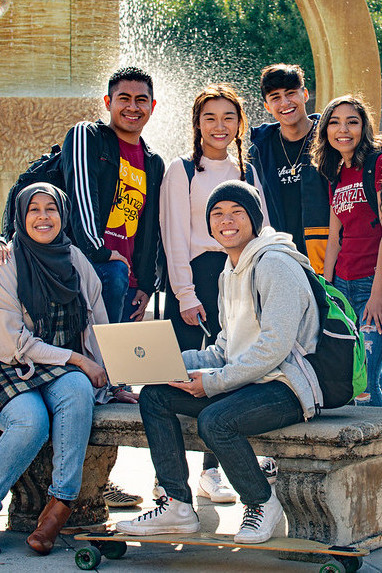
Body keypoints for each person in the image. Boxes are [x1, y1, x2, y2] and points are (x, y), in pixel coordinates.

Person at [116, 180, 322, 544]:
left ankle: (262, 503)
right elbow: (225, 349)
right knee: (155, 395)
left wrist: (212, 382)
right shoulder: (231, 270)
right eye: (217, 214)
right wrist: (166, 363)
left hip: (288, 387)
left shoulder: (275, 264)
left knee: (217, 421)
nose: (226, 220)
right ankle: (177, 505)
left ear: (254, 219)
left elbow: (274, 348)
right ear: (210, 226)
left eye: (236, 212)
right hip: (250, 383)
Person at [159, 83, 269, 503]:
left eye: (228, 117)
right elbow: (174, 236)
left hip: (238, 274)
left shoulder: (247, 170)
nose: (219, 126)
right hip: (196, 277)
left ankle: (211, 471)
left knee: (230, 373)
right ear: (197, 124)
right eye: (210, 118)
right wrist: (185, 293)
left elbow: (262, 227)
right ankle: (168, 481)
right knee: (182, 377)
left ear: (240, 124)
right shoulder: (182, 169)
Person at [0, 183, 110, 555]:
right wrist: (79, 360)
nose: (43, 217)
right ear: (20, 216)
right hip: (14, 367)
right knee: (31, 422)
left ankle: (59, 506)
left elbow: (96, 323)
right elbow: (12, 341)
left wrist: (110, 376)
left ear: (63, 215)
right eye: (34, 210)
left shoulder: (74, 258)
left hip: (62, 372)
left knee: (79, 391)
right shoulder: (7, 260)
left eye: (51, 209)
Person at [61, 66, 165, 325]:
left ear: (151, 106)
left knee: (121, 364)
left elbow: (149, 229)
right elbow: (81, 195)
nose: (133, 107)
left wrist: (146, 284)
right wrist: (99, 251)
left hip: (129, 284)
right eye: (124, 99)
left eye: (141, 100)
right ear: (108, 102)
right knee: (96, 359)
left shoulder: (153, 162)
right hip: (92, 269)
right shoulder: (87, 136)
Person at [311, 95, 382, 406]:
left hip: (372, 284)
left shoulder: (376, 164)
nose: (343, 129)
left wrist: (377, 295)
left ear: (363, 127)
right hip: (343, 284)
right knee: (354, 378)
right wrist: (327, 290)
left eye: (352, 122)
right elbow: (335, 236)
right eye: (335, 122)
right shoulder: (337, 173)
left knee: (369, 382)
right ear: (326, 130)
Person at [248, 63, 330, 274]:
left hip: (328, 260)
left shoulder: (329, 141)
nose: (285, 103)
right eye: (275, 97)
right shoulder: (259, 151)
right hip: (282, 262)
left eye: (291, 93)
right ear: (267, 106)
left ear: (304, 95)